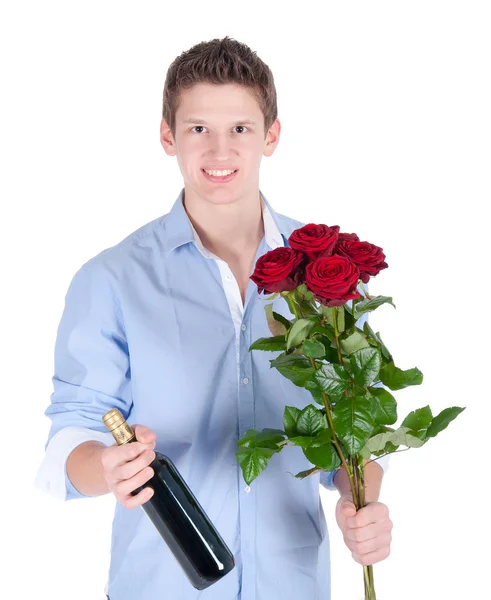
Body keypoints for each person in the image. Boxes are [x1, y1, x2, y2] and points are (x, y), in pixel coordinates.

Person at [34, 36, 392, 600]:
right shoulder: (111, 280)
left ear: (271, 136)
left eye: (240, 129)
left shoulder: (329, 271)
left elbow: (356, 427)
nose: (219, 151)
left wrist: (360, 501)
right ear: (167, 135)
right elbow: (66, 446)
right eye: (199, 128)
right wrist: (106, 466)